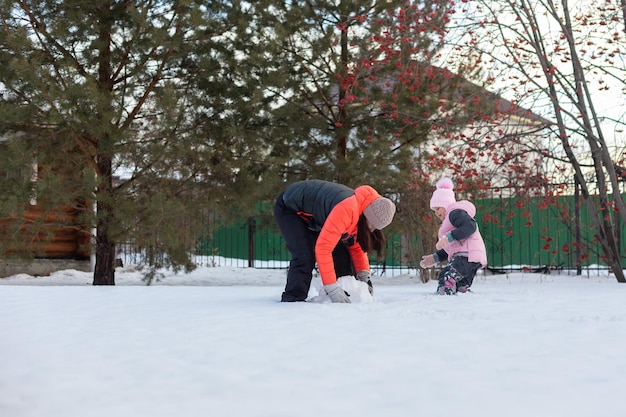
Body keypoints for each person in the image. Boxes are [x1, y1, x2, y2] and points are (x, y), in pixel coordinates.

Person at [274, 179, 396, 302]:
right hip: (290, 208)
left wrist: (363, 275)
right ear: (367, 216)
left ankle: (346, 290)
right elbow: (323, 248)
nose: (372, 229)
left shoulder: (363, 209)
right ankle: (293, 299)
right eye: (372, 225)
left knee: (342, 254)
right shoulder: (348, 210)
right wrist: (331, 288)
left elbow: (357, 243)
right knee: (305, 254)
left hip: (316, 216)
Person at [420, 178, 487, 295]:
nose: (436, 213)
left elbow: (470, 226)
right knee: (460, 282)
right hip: (468, 257)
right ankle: (461, 291)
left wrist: (448, 237)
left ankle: (444, 294)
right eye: (433, 210)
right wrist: (435, 257)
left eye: (437, 208)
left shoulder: (454, 213)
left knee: (447, 275)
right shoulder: (449, 220)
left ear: (445, 204)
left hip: (467, 255)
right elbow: (451, 248)